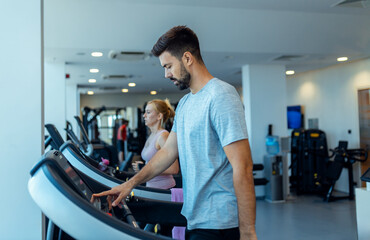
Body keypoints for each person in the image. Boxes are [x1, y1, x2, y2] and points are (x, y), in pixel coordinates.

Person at [92, 26, 257, 240]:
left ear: (187, 58)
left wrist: (248, 232)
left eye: (168, 66)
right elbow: (167, 153)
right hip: (194, 218)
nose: (166, 74)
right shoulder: (186, 104)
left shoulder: (221, 95)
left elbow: (242, 166)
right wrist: (129, 184)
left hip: (220, 223)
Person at [132, 99, 179, 189]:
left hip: (164, 189)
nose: (144, 115)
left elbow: (174, 169)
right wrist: (144, 167)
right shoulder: (152, 135)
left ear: (159, 116)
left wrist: (144, 168)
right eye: (145, 112)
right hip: (151, 187)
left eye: (148, 112)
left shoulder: (163, 136)